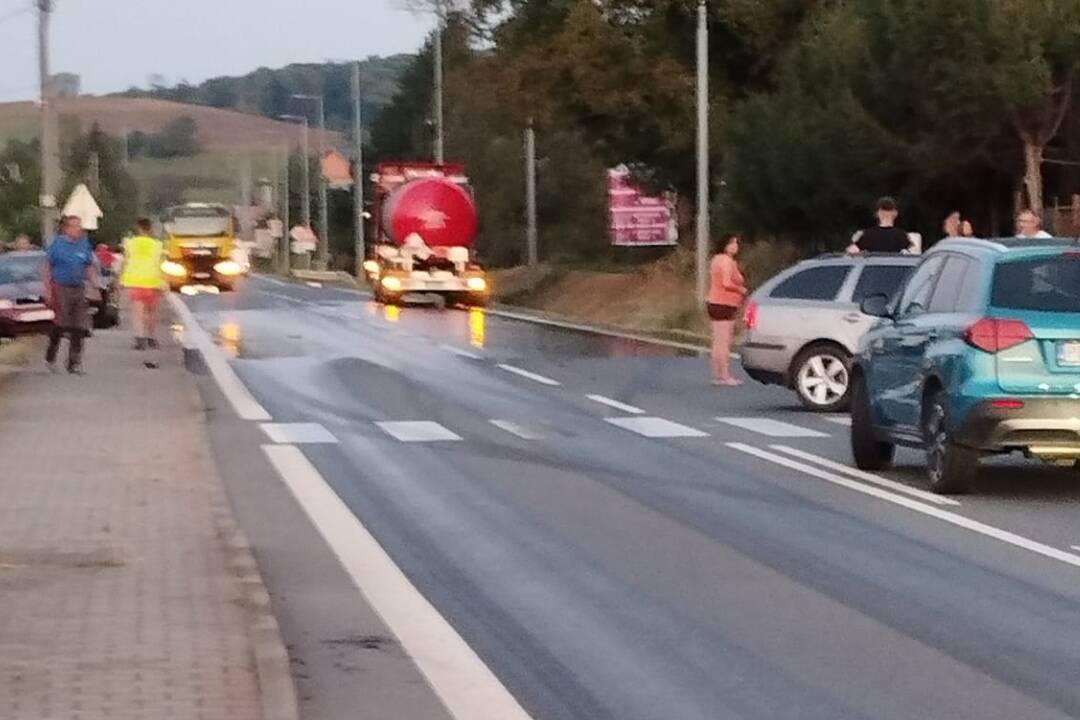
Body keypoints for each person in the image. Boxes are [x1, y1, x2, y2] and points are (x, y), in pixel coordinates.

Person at [43, 216, 97, 374]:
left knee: (79, 326)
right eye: (74, 226)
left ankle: (73, 363)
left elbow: (88, 267)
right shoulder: (57, 244)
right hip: (61, 287)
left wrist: (94, 285)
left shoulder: (83, 244)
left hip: (78, 287)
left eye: (79, 227)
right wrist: (47, 289)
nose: (77, 230)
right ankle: (50, 357)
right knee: (61, 324)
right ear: (66, 228)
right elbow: (47, 266)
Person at [120, 218, 166, 356]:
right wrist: (164, 282)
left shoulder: (129, 243)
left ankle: (140, 339)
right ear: (150, 228)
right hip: (153, 281)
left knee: (138, 313)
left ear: (138, 228)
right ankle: (151, 337)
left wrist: (120, 279)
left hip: (135, 281)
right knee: (152, 313)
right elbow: (162, 263)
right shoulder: (158, 245)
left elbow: (125, 261)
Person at [707, 233, 747, 386]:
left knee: (717, 341)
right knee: (725, 341)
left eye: (736, 244)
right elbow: (726, 283)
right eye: (732, 243)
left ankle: (717, 374)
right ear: (725, 245)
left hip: (713, 302)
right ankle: (725, 375)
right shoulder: (727, 261)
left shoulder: (715, 260)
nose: (735, 247)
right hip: (725, 304)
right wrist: (741, 289)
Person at [846, 197, 914, 254]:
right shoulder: (901, 235)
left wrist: (854, 240)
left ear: (877, 214)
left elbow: (851, 251)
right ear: (895, 213)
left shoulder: (868, 235)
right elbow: (913, 254)